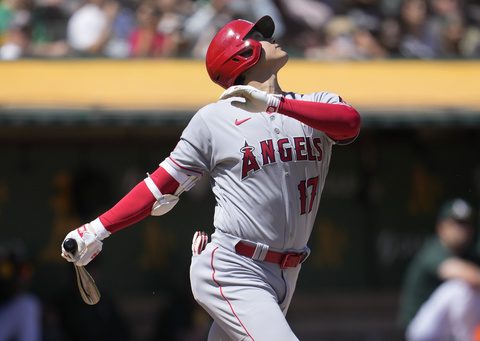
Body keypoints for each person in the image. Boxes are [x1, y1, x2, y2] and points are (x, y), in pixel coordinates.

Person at [60, 15, 361, 340]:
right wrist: (96, 230)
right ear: (240, 54)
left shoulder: (314, 104)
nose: (272, 38)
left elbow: (349, 122)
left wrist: (276, 104)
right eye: (259, 35)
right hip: (235, 267)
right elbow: (161, 185)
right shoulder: (214, 118)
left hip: (288, 271)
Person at [399, 198, 480, 341]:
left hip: (446, 332)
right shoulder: (434, 249)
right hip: (421, 329)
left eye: (466, 224)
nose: (461, 230)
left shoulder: (471, 252)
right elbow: (459, 272)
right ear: (441, 227)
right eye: (456, 224)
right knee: (461, 288)